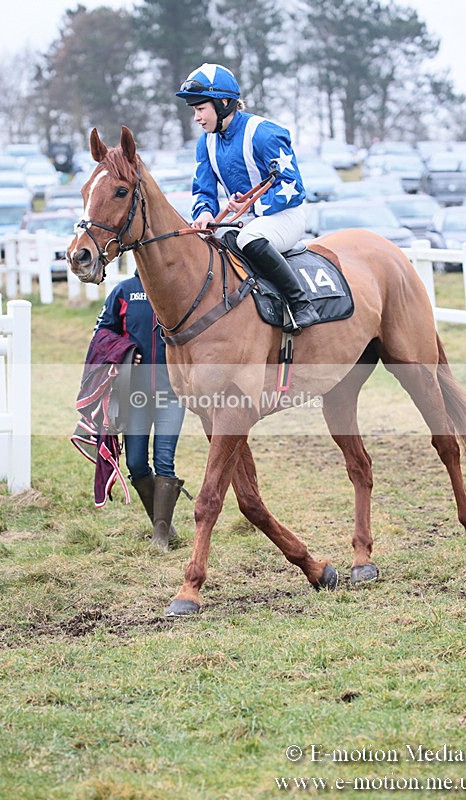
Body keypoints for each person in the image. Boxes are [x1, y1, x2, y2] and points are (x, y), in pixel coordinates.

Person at [175, 63, 319, 333]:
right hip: (244, 219)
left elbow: (293, 187)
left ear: (223, 103)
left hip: (284, 215)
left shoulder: (264, 133)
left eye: (200, 109)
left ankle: (300, 304)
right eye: (194, 110)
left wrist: (253, 205)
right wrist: (204, 213)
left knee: (249, 238)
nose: (196, 118)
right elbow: (203, 190)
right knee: (204, 246)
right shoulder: (205, 143)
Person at [93, 271, 186, 550]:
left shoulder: (177, 285)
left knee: (164, 460)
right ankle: (164, 524)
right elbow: (101, 334)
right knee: (135, 463)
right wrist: (124, 351)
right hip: (134, 394)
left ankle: (160, 537)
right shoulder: (124, 291)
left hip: (172, 393)